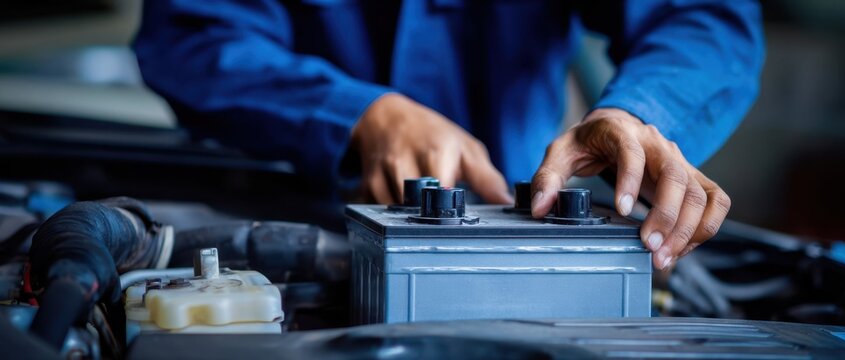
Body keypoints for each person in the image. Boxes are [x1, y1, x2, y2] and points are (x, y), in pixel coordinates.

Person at [134, 0, 764, 270]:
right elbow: (190, 35)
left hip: (523, 238)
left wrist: (638, 111)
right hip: (297, 219)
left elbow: (703, 16)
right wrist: (357, 112)